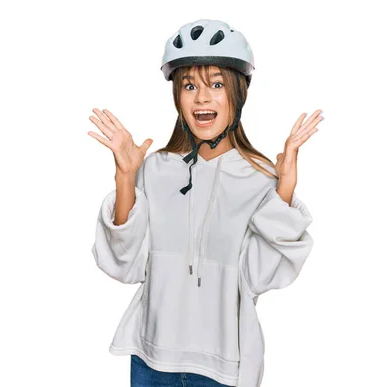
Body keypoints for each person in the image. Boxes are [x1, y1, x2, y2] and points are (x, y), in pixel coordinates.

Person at [88, 19, 322, 387]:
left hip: (224, 368)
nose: (202, 97)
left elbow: (261, 277)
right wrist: (125, 177)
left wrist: (285, 189)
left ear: (238, 94)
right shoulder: (155, 170)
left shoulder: (260, 178)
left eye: (216, 84)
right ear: (177, 97)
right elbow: (125, 266)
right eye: (189, 85)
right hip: (151, 361)